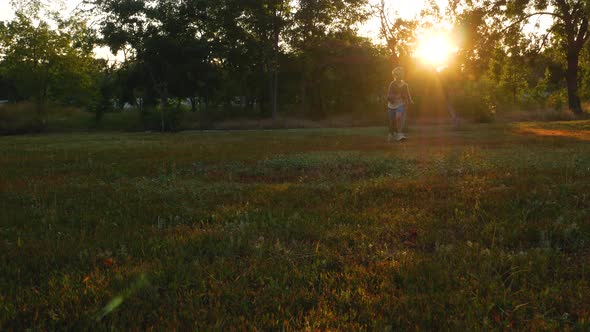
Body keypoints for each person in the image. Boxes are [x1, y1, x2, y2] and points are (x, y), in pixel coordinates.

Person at [387, 66, 414, 142]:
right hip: (391, 105)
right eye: (397, 74)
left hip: (400, 104)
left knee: (398, 117)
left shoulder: (405, 85)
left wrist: (410, 100)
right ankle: (392, 133)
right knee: (392, 121)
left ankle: (399, 134)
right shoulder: (392, 84)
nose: (399, 76)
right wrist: (394, 97)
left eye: (401, 74)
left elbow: (408, 94)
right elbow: (388, 95)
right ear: (395, 75)